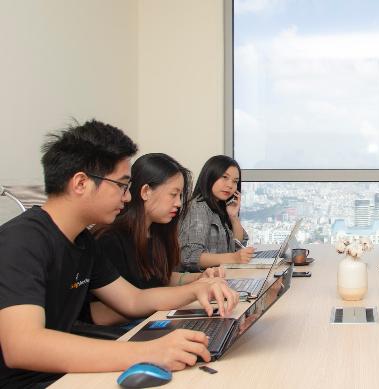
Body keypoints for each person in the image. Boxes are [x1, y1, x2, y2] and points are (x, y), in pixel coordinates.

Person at [0, 120, 239, 388]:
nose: (127, 198)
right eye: (122, 186)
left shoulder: (83, 241)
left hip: (68, 372)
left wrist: (197, 289)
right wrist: (149, 352)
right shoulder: (21, 240)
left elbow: (133, 300)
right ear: (81, 183)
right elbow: (22, 346)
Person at [85, 153, 227, 326]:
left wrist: (199, 279)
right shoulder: (109, 239)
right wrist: (189, 292)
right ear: (145, 192)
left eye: (180, 196)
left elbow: (159, 278)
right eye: (173, 195)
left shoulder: (155, 232)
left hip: (148, 319)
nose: (179, 203)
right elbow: (129, 302)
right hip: (126, 329)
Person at [179, 155, 254, 270]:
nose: (230, 185)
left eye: (235, 181)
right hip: (201, 282)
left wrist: (234, 217)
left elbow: (237, 248)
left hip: (221, 277)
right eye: (224, 177)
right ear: (210, 176)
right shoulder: (198, 207)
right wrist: (233, 258)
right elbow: (190, 256)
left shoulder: (219, 207)